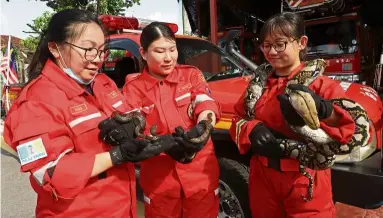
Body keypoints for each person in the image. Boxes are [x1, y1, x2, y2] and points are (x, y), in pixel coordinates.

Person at [3, 9, 177, 218]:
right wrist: (117, 155)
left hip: (122, 208)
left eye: (102, 50)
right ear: (55, 49)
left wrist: (146, 132)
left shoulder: (103, 84)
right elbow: (50, 172)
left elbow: (132, 115)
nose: (97, 59)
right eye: (88, 49)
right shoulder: (35, 102)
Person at [230, 12, 357, 218]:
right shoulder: (259, 85)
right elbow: (236, 119)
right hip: (263, 176)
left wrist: (325, 111)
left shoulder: (322, 86)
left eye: (280, 44)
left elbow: (349, 131)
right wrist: (251, 129)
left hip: (304, 176)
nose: (272, 51)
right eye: (266, 45)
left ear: (301, 42)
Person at [102, 22, 221, 218]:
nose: (168, 58)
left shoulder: (190, 74)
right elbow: (133, 129)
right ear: (143, 52)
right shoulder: (133, 88)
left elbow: (205, 102)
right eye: (159, 51)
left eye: (172, 50)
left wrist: (203, 127)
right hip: (160, 181)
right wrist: (160, 144)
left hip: (200, 174)